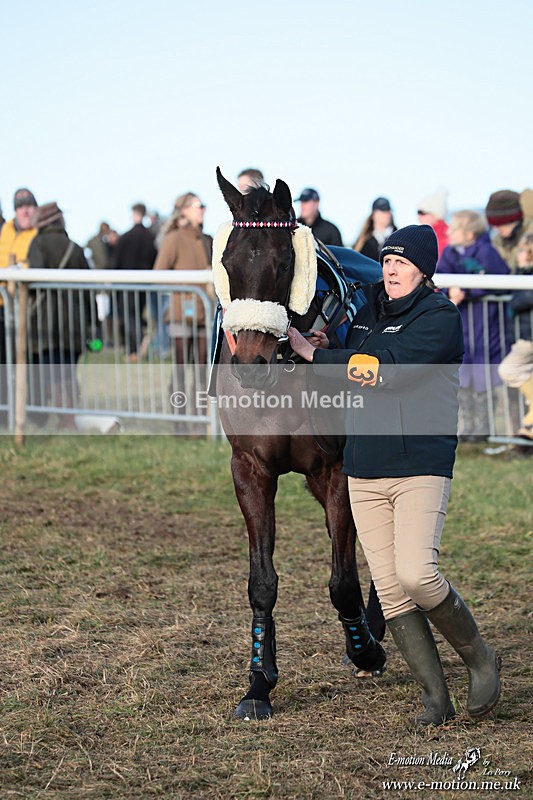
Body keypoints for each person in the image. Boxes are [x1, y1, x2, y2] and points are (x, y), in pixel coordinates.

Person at [288, 224, 500, 727]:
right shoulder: (366, 314)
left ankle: (481, 659)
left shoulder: (440, 317)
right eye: (386, 261)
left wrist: (317, 356)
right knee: (391, 590)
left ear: (424, 270)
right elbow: (352, 351)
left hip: (419, 467)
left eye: (402, 263)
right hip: (363, 469)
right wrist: (324, 342)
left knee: (418, 575)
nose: (390, 270)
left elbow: (383, 370)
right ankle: (434, 698)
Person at [437, 210, 510, 440]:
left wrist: (466, 289)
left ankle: (484, 428)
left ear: (469, 233)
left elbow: (498, 280)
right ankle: (467, 427)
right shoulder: (449, 253)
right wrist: (451, 290)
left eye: (455, 228)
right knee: (463, 375)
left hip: (484, 322)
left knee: (483, 376)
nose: (449, 232)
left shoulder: (487, 252)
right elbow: (441, 277)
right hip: (463, 323)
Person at [27, 202, 93, 429]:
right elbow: (89, 290)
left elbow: (32, 284)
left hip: (44, 325)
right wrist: (93, 324)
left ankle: (63, 418)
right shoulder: (74, 248)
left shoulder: (37, 244)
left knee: (51, 374)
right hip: (74, 324)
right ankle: (69, 418)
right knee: (68, 372)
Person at [154, 193, 213, 423]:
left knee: (201, 371)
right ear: (185, 210)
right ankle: (179, 420)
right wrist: (185, 287)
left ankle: (200, 419)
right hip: (180, 315)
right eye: (200, 206)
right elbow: (159, 274)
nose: (203, 210)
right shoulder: (174, 239)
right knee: (180, 368)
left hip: (204, 314)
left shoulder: (207, 239)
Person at [0, 188, 39, 416]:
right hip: (4, 306)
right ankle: (5, 411)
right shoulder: (5, 231)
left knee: (27, 361)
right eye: (20, 206)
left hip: (27, 308)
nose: (24, 210)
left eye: (28, 205)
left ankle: (30, 411)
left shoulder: (37, 233)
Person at [498, 232, 533, 439]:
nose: (518, 254)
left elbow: (519, 301)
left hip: (529, 338)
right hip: (523, 336)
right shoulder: (520, 273)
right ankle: (528, 426)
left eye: (522, 250)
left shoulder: (526, 276)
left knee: (508, 370)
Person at [114, 203, 157, 361]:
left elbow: (116, 262)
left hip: (125, 282)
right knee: (136, 314)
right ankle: (135, 349)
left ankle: (137, 343)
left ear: (134, 214)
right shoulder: (150, 237)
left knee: (128, 315)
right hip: (144, 282)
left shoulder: (125, 237)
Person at [485, 189, 533, 273]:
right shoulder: (497, 240)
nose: (496, 229)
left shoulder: (530, 236)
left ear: (515, 220)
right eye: (494, 225)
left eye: (501, 224)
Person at [353, 196, 397, 261]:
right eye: (383, 211)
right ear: (374, 214)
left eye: (388, 210)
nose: (387, 214)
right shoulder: (362, 242)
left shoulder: (398, 238)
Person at [417, 187, 449, 256]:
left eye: (422, 212)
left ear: (436, 214)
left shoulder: (450, 236)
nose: (419, 216)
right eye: (418, 212)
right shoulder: (420, 235)